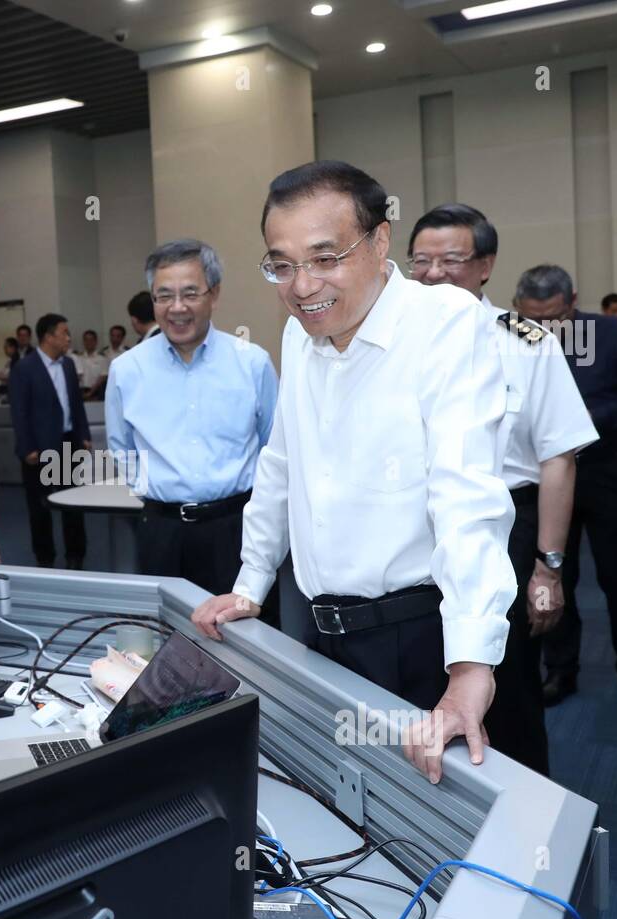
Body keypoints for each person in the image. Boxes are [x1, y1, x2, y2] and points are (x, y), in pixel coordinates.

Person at [192, 161, 517, 784]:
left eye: (324, 257)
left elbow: (465, 494)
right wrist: (250, 580)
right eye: (281, 265)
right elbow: (281, 464)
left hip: (419, 636)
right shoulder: (297, 333)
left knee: (425, 831)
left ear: (380, 240)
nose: (301, 284)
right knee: (335, 808)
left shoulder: (444, 321)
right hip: (316, 629)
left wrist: (470, 665)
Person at [408, 205, 597, 775]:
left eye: (451, 260)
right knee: (425, 679)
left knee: (507, 685)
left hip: (505, 533)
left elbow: (558, 458)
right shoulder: (396, 344)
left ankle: (527, 833)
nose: (434, 273)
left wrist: (548, 566)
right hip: (417, 535)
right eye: (421, 261)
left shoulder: (526, 341)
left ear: (486, 265)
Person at [106, 238, 280, 628]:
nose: (177, 307)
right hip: (162, 532)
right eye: (163, 295)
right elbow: (121, 448)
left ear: (213, 294)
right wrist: (155, 490)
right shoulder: (127, 370)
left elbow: (276, 449)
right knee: (167, 640)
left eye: (189, 293)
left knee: (250, 643)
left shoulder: (251, 363)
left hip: (237, 530)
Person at [515, 265, 617, 715]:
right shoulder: (509, 336)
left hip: (605, 471)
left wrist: (593, 420)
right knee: (554, 578)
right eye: (533, 317)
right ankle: (560, 670)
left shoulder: (610, 333)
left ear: (572, 301)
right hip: (545, 480)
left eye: (554, 317)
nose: (545, 328)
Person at [9, 312, 91, 569]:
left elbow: (76, 404)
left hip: (69, 444)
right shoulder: (25, 368)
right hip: (39, 450)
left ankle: (76, 556)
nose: (68, 338)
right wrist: (27, 448)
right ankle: (45, 558)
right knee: (40, 509)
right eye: (64, 333)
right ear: (48, 337)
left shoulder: (67, 365)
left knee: (74, 505)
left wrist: (84, 435)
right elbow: (19, 411)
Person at [72, 328, 109, 399]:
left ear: (95, 341)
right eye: (86, 340)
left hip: (97, 391)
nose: (88, 342)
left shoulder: (102, 358)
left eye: (91, 340)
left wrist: (90, 393)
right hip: (80, 391)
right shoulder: (78, 357)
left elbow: (103, 377)